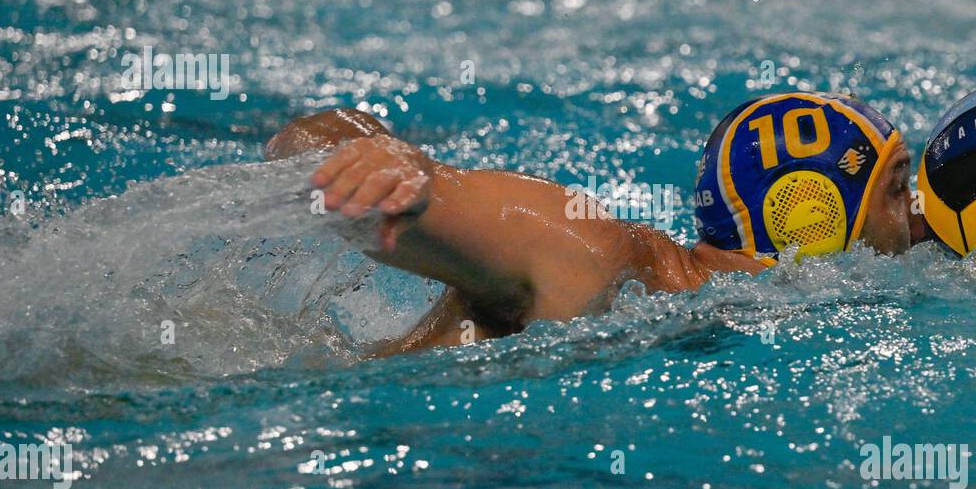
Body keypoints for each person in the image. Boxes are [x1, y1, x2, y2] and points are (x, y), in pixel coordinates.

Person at [264, 93, 924, 353]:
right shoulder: (593, 256)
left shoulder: (723, 309)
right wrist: (369, 152)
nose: (920, 205)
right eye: (898, 186)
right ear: (813, 215)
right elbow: (313, 145)